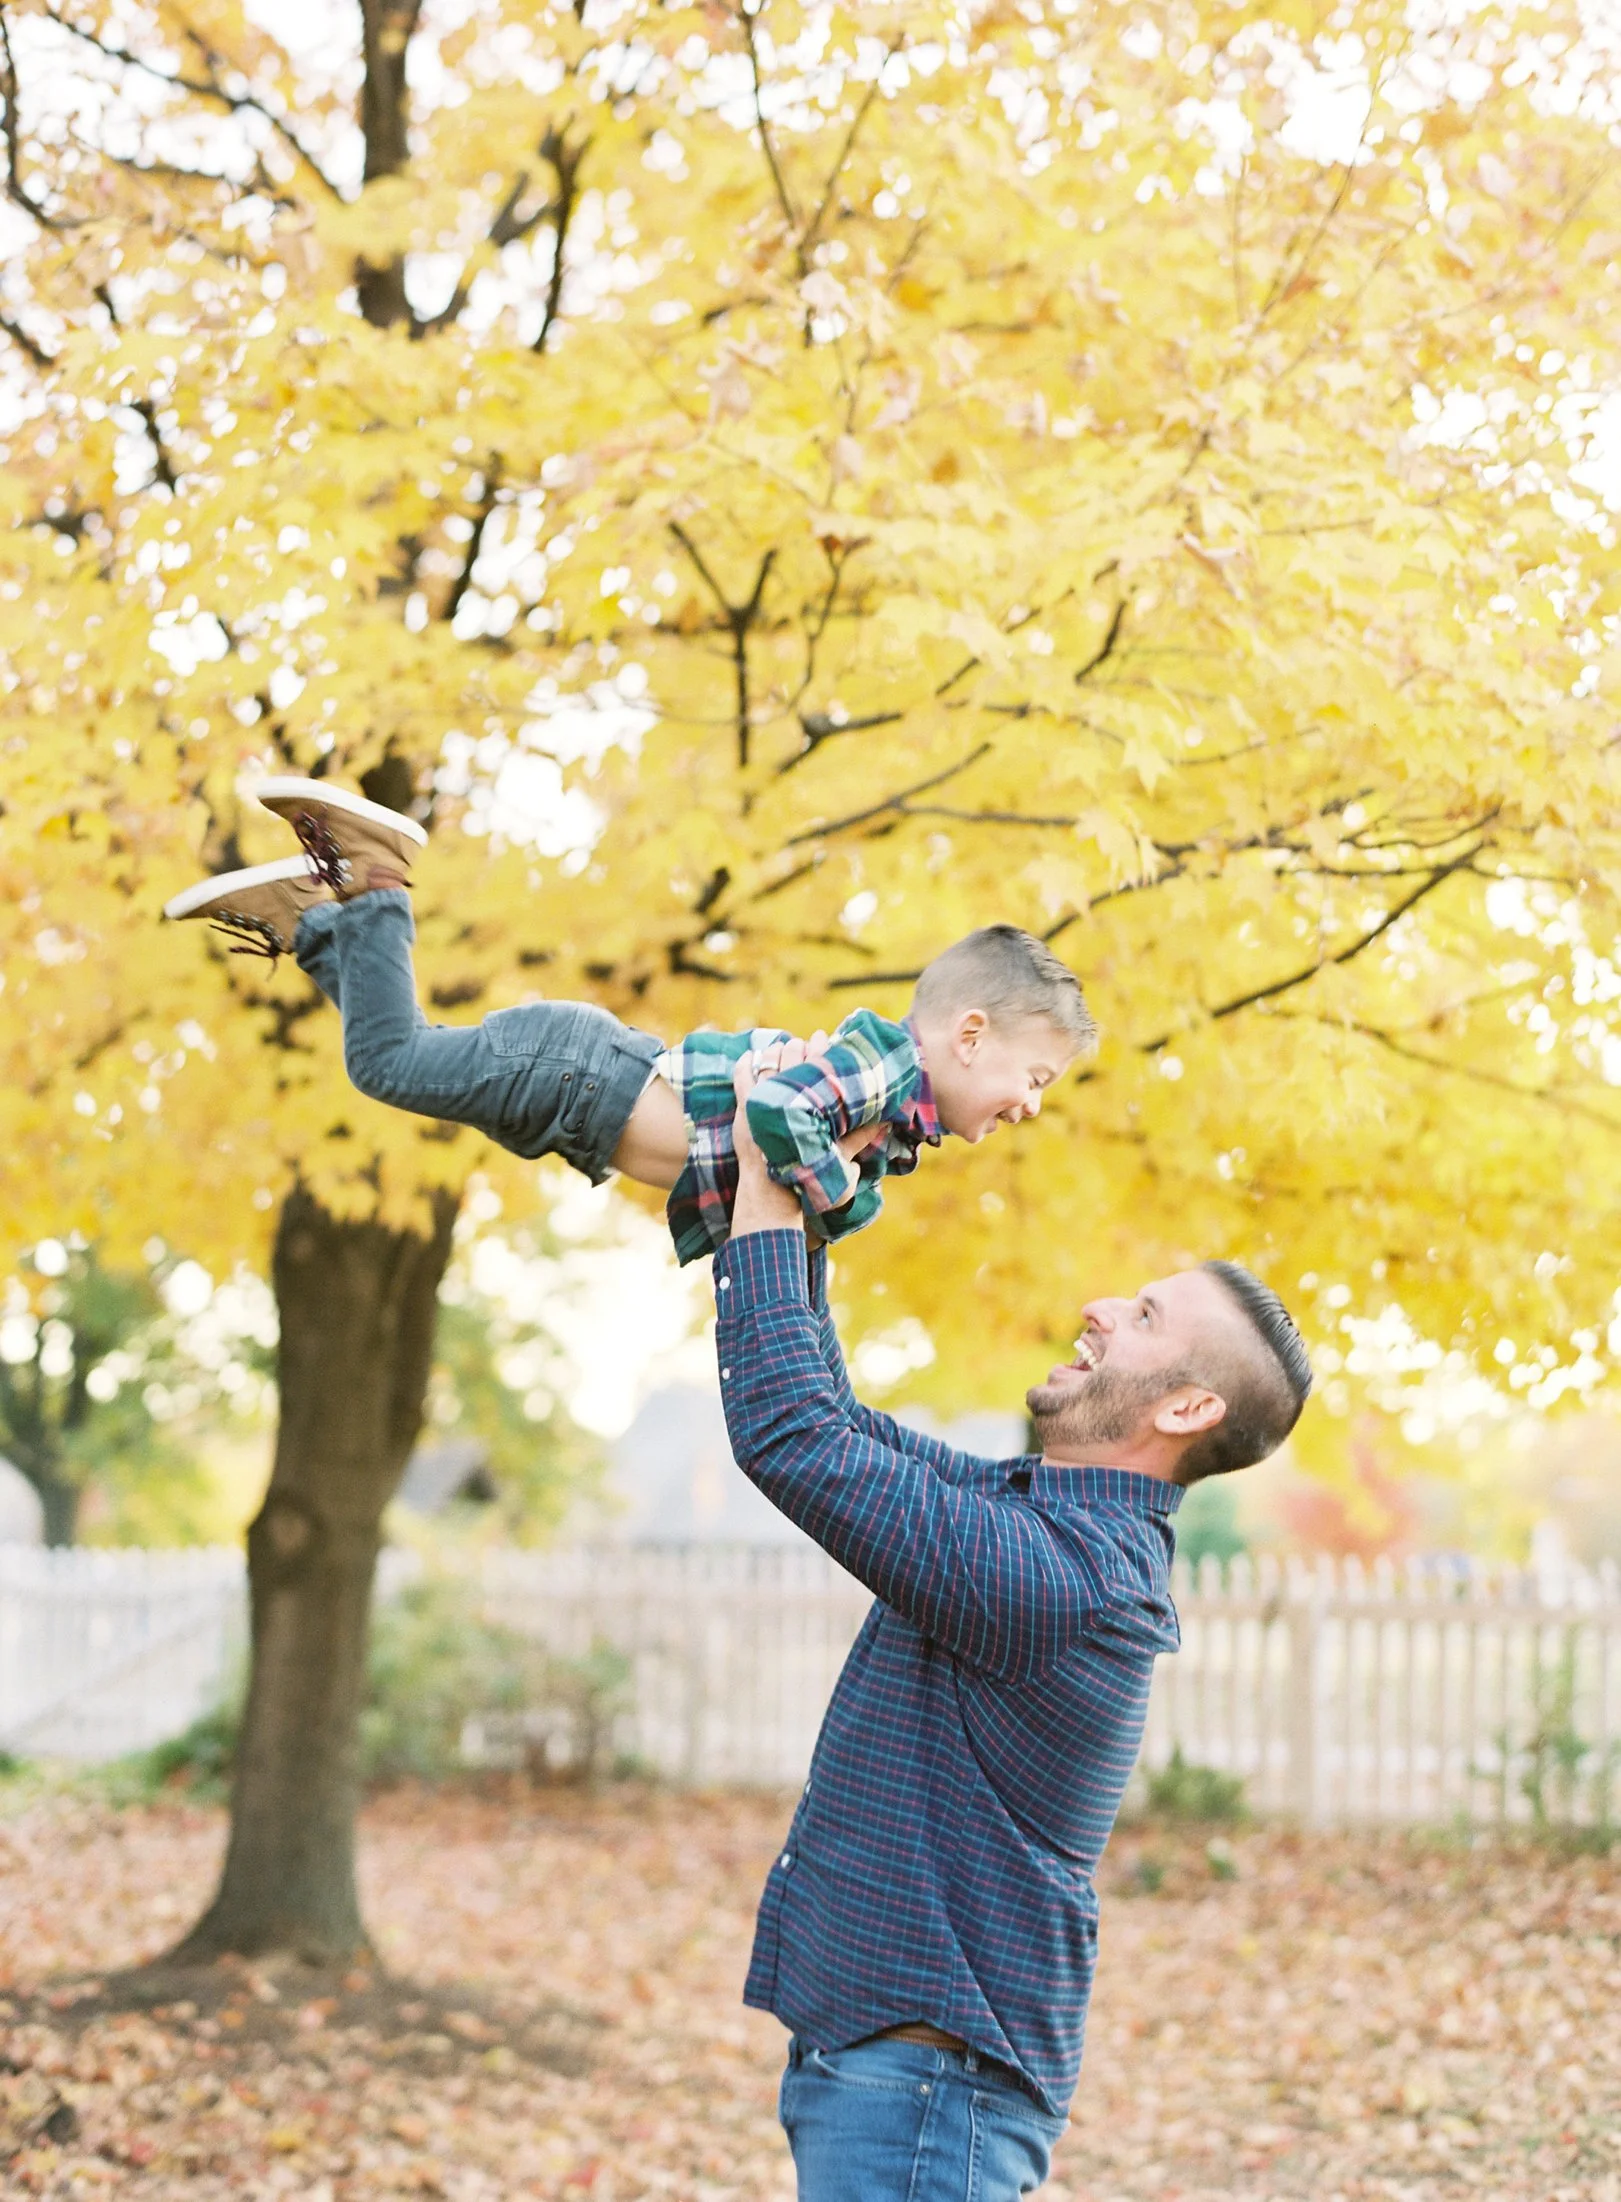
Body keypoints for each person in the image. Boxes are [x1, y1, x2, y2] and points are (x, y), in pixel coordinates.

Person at [714, 1047, 1312, 2201]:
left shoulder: (1064, 1583)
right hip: (898, 2082)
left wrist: (756, 1168)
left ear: (1187, 1407)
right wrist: (802, 1183)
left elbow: (786, 1433)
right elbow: (832, 1417)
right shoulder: (1035, 1520)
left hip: (927, 2103)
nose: (1096, 1306)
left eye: (1140, 1317)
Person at [163, 778, 1096, 1264]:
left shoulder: (887, 1111)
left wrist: (850, 1197)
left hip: (579, 1096)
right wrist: (844, 1200)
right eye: (1036, 1078)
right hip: (583, 1076)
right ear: (968, 1037)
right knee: (389, 1065)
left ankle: (318, 921)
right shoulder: (881, 1066)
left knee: (394, 1059)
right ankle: (374, 879)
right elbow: (776, 1118)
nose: (1031, 1106)